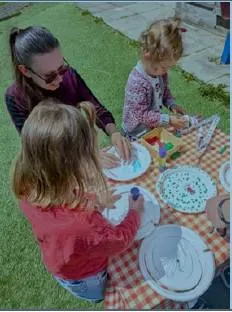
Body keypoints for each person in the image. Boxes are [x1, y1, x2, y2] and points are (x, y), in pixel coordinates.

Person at [11, 99, 144, 303]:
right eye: (92, 155)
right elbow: (119, 241)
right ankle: (97, 298)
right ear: (71, 168)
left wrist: (94, 201)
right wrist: (134, 213)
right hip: (86, 276)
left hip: (59, 260)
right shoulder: (84, 224)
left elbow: (62, 200)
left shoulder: (29, 187)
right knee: (100, 293)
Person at [6, 26, 131, 169]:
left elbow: (94, 106)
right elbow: (38, 148)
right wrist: (83, 159)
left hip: (79, 143)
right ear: (25, 71)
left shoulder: (69, 76)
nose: (59, 79)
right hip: (57, 164)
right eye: (50, 76)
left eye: (61, 68)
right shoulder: (16, 98)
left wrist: (113, 133)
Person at [122, 18, 187, 137]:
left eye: (168, 67)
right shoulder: (137, 82)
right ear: (147, 56)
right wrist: (169, 120)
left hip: (152, 126)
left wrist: (172, 104)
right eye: (162, 67)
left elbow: (165, 92)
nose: (165, 71)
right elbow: (141, 115)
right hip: (136, 132)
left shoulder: (160, 73)